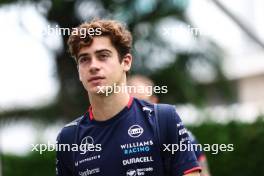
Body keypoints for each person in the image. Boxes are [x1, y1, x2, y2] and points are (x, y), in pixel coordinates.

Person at [56, 19, 201, 176]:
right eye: (84, 59)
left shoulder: (164, 118)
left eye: (103, 56)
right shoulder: (68, 138)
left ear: (126, 62)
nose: (93, 66)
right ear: (78, 70)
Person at [127, 75, 211, 176]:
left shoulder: (180, 134)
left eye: (142, 101)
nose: (137, 107)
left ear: (154, 101)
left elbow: (204, 173)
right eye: (134, 101)